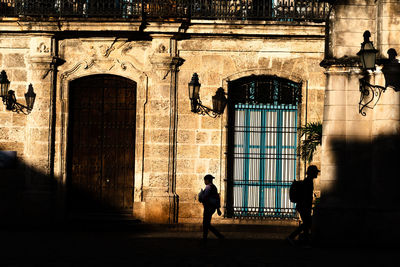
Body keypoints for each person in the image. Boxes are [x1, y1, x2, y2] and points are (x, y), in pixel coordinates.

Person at [287, 165, 320, 246]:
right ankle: (291, 237)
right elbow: (306, 196)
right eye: (315, 172)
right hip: (303, 206)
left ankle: (305, 241)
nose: (317, 173)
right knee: (307, 223)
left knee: (307, 224)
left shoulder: (308, 181)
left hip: (303, 206)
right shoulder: (308, 182)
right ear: (312, 173)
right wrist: (307, 205)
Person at [198, 174, 224, 242]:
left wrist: (200, 195)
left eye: (205, 180)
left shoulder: (208, 187)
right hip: (212, 208)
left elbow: (204, 198)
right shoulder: (214, 187)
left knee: (206, 224)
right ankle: (215, 237)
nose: (204, 181)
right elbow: (217, 198)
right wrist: (218, 209)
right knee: (207, 224)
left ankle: (208, 238)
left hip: (208, 208)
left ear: (207, 180)